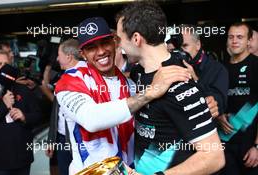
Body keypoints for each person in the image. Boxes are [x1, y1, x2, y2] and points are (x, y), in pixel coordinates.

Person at [54, 17, 191, 175]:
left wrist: (203, 101)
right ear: (82, 53)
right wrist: (148, 93)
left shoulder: (131, 85)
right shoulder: (69, 81)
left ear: (114, 42)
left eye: (105, 42)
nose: (100, 51)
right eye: (91, 47)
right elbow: (91, 119)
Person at [116, 2, 225, 175]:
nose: (119, 46)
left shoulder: (179, 83)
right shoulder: (138, 72)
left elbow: (214, 156)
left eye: (119, 39)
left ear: (136, 39)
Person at [0, 50, 42, 175]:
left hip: (22, 158)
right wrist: (4, 105)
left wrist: (24, 117)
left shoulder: (23, 89)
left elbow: (38, 116)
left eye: (6, 64)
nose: (3, 68)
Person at [219, 22, 258, 175]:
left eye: (240, 37)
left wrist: (257, 146)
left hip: (251, 148)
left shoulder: (256, 65)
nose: (234, 41)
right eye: (231, 37)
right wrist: (218, 116)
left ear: (249, 40)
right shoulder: (220, 69)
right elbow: (212, 102)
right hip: (225, 144)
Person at [46, 39, 80, 175]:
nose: (57, 58)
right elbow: (55, 114)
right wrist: (51, 140)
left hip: (79, 141)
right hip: (61, 139)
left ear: (68, 57)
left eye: (59, 55)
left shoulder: (85, 77)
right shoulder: (61, 78)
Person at [180, 24, 229, 117]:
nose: (181, 52)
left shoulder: (217, 69)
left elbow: (220, 105)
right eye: (177, 48)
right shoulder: (170, 67)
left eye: (185, 46)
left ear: (198, 44)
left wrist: (195, 80)